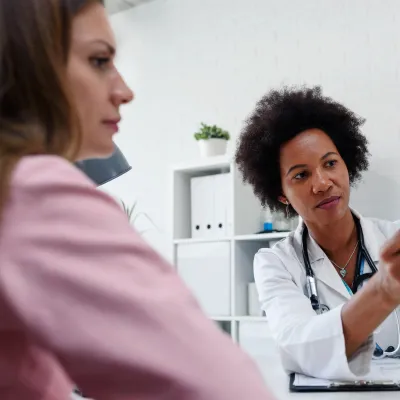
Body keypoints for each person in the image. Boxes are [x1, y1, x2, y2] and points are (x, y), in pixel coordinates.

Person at [0, 1, 275, 399]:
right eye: (98, 60)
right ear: (31, 67)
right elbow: (222, 385)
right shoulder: (29, 189)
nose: (124, 91)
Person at [235, 85, 400, 380]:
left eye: (330, 163)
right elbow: (296, 346)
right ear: (281, 194)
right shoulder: (276, 263)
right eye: (301, 174)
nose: (322, 183)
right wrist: (384, 289)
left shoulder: (394, 238)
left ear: (347, 165)